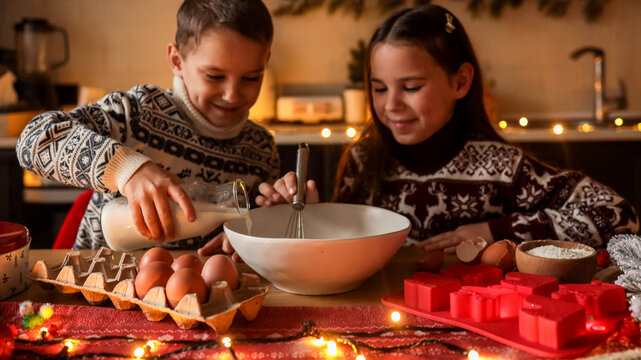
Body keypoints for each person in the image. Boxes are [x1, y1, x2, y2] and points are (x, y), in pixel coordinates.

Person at [253, 4, 639, 254]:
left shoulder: (500, 166)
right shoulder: (364, 157)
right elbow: (349, 244)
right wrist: (309, 217)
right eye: (379, 88)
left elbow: (618, 215)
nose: (390, 105)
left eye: (412, 87)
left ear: (460, 82)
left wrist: (497, 229)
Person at [16, 0, 280, 250]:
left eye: (251, 78)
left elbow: (254, 230)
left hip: (201, 295)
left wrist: (272, 220)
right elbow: (34, 139)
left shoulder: (260, 149)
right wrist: (128, 170)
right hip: (100, 286)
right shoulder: (139, 114)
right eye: (214, 76)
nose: (232, 95)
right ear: (177, 61)